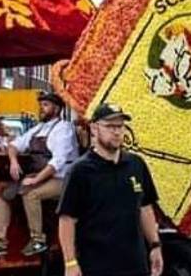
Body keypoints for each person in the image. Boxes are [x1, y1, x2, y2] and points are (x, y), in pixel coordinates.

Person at [58, 103, 162, 276]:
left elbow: (145, 207)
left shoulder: (136, 165)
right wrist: (70, 262)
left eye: (120, 126)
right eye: (110, 126)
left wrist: (155, 245)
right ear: (94, 128)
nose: (117, 131)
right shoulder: (80, 171)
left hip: (135, 264)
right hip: (96, 266)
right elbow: (67, 220)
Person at [0, 91, 80, 257]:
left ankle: (38, 239)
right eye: (41, 105)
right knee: (5, 193)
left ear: (57, 108)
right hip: (39, 175)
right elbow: (14, 146)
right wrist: (14, 161)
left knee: (31, 194)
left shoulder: (64, 129)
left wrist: (35, 180)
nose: (41, 108)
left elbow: (57, 163)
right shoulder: (38, 128)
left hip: (63, 179)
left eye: (46, 105)